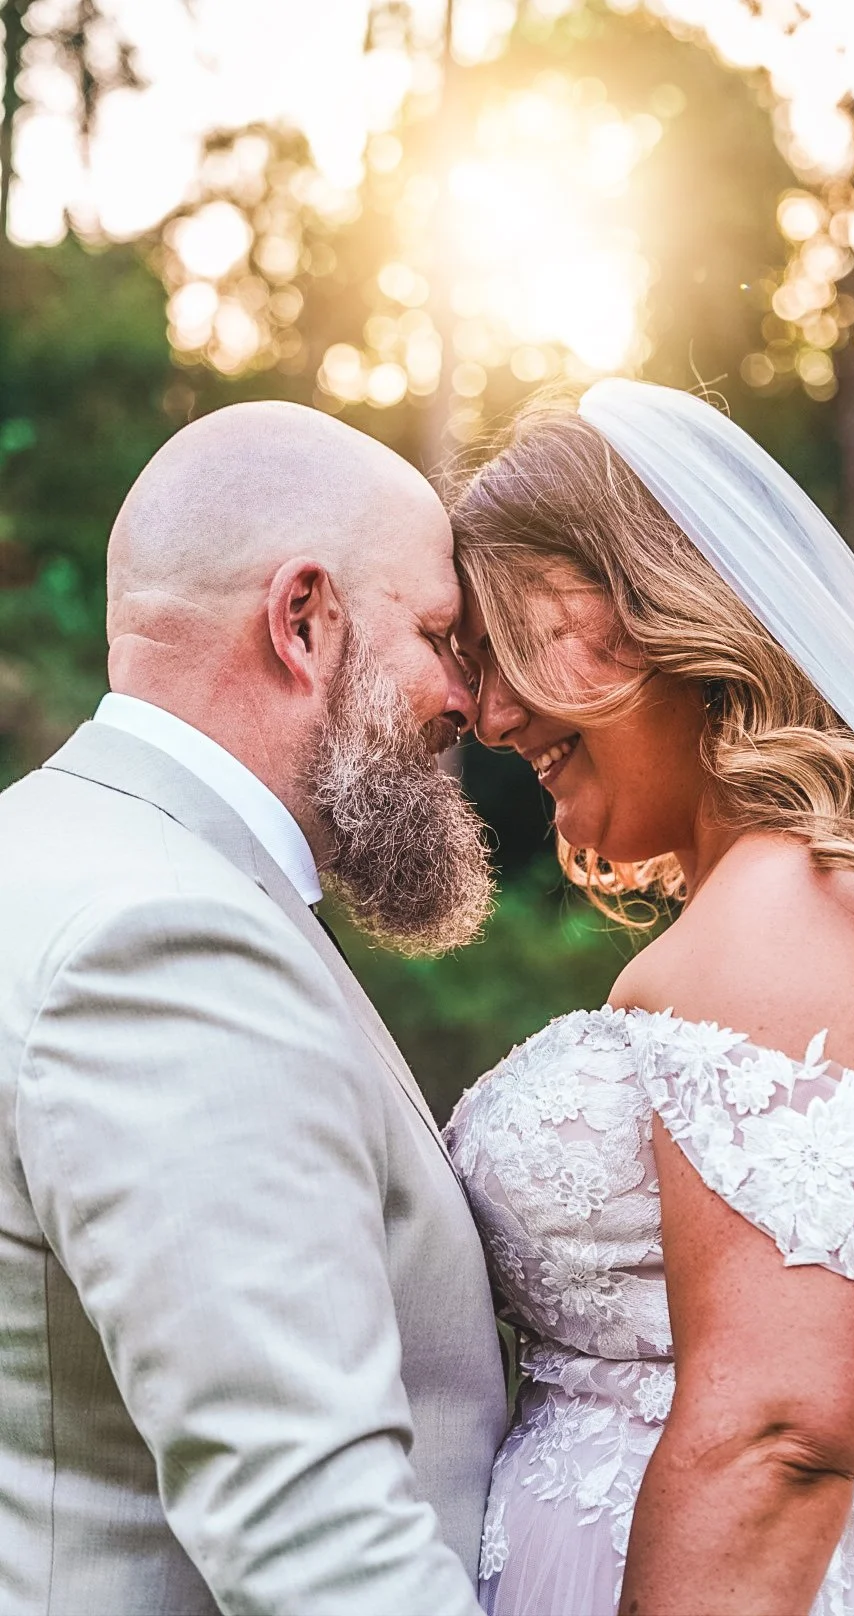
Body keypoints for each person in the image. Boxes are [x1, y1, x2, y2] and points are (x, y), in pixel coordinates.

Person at [446, 379, 854, 1616]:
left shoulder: (802, 902)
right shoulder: (805, 894)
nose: (487, 709)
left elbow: (781, 1436)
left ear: (632, 611)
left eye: (499, 642)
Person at [0, 400, 506, 1615]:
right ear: (304, 619)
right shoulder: (166, 936)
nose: (470, 702)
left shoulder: (48, 848)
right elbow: (319, 1544)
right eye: (440, 635)